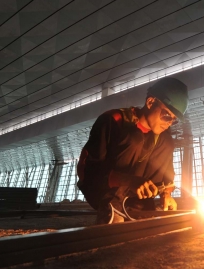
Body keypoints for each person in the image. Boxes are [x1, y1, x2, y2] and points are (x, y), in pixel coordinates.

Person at [76, 77, 189, 224]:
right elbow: (89, 173)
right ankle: (112, 205)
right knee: (134, 139)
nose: (168, 123)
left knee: (166, 141)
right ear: (150, 102)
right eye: (166, 115)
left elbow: (168, 173)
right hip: (101, 190)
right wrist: (128, 181)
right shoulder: (114, 121)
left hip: (135, 196)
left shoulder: (163, 138)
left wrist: (166, 193)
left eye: (173, 120)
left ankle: (140, 206)